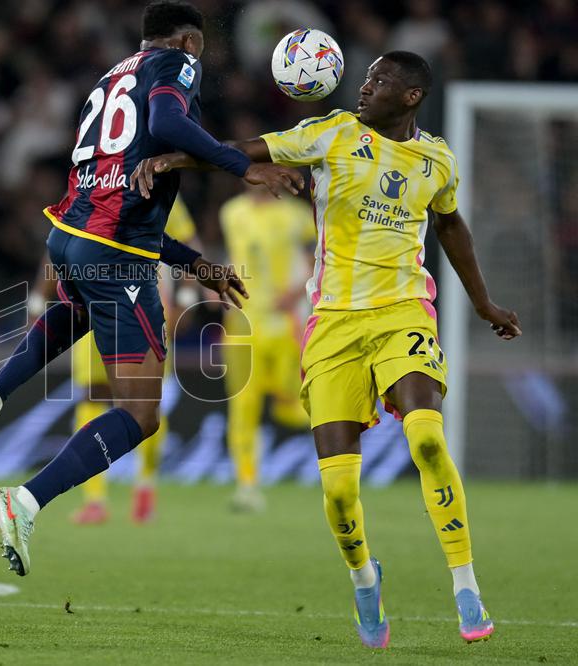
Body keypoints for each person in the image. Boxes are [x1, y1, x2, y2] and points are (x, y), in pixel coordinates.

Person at [130, 51, 520, 647]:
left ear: (411, 96)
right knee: (339, 489)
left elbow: (449, 225)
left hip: (402, 312)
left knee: (427, 439)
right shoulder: (330, 134)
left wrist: (483, 302)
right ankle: (365, 579)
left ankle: (465, 585)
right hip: (333, 323)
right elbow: (247, 151)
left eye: (379, 81)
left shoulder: (437, 159)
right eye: (365, 78)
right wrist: (172, 157)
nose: (364, 88)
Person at [0, 0, 300, 577]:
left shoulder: (111, 77)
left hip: (71, 236)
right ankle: (26, 500)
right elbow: (165, 123)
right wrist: (240, 164)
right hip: (115, 255)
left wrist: (195, 263)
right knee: (140, 410)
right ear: (187, 40)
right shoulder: (178, 64)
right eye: (198, 47)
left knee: (76, 312)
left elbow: (123, 193)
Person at [68, 196, 199, 525]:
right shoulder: (87, 186)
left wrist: (185, 295)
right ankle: (94, 498)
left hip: (144, 308)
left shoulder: (160, 192)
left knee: (144, 400)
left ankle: (144, 484)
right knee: (93, 394)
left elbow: (188, 243)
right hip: (95, 308)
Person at [219, 185, 314, 512]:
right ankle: (247, 485)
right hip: (243, 326)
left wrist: (298, 292)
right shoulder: (231, 212)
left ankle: (333, 461)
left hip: (285, 324)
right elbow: (234, 261)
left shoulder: (298, 216)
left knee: (296, 402)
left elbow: (318, 260)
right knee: (242, 407)